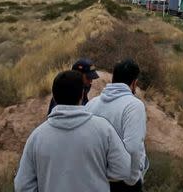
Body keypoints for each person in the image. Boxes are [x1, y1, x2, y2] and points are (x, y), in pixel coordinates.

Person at [15, 70, 131, 192]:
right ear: (82, 94)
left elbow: (22, 185)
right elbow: (123, 169)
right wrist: (97, 174)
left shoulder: (37, 137)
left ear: (54, 96)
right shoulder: (103, 129)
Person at [86, 59, 148, 191]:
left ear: (113, 78)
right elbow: (132, 148)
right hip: (122, 182)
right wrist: (133, 179)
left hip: (95, 178)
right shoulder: (134, 106)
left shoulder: (91, 103)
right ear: (134, 83)